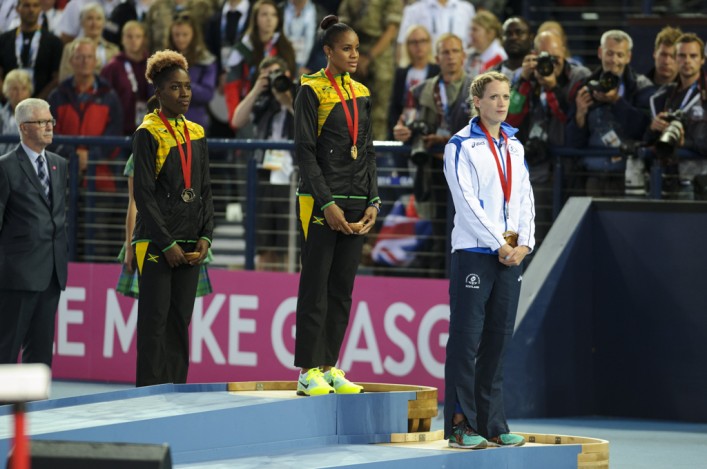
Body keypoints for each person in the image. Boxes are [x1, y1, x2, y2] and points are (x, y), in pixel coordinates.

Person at [442, 70, 534, 450]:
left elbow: (525, 199)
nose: (501, 103)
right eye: (493, 96)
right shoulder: (460, 145)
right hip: (474, 254)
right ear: (476, 102)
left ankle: (493, 423)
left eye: (505, 96)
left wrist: (524, 244)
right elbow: (465, 203)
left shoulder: (515, 146)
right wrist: (499, 241)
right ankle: (461, 424)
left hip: (510, 257)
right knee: (466, 340)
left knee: (497, 340)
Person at [294, 15, 379, 396]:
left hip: (357, 202)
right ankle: (306, 371)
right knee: (315, 287)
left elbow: (369, 152)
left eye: (357, 49)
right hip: (320, 204)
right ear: (327, 51)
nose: (354, 55)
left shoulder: (361, 92)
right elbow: (305, 153)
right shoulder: (310, 90)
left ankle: (329, 367)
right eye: (346, 48)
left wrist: (373, 201)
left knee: (341, 289)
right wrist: (326, 202)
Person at [132, 50, 214, 386]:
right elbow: (143, 194)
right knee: (155, 321)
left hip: (191, 242)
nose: (184, 94)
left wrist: (206, 235)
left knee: (180, 321)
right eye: (176, 88)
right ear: (159, 92)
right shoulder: (147, 133)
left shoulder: (197, 131)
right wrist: (165, 243)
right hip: (155, 242)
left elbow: (205, 190)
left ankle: (177, 391)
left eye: (188, 87)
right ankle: (148, 397)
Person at [392, 33, 472, 277]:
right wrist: (401, 130)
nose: (450, 57)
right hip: (434, 173)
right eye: (445, 53)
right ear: (437, 58)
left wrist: (447, 141)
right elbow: (404, 120)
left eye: (455, 51)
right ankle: (440, 288)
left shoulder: (478, 88)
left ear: (464, 56)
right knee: (439, 234)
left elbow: (484, 131)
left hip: (467, 174)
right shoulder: (420, 90)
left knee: (465, 235)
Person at [117, 96, 213, 298]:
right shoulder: (143, 149)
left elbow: (203, 193)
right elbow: (135, 202)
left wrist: (204, 234)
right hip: (153, 238)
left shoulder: (192, 142)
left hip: (188, 236)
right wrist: (130, 246)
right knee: (155, 309)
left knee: (180, 309)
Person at [0, 97, 68, 368]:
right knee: (6, 348)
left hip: (51, 274)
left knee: (40, 354)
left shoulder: (59, 164)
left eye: (50, 120)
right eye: (42, 122)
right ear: (24, 127)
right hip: (16, 276)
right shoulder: (4, 167)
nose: (49, 126)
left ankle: (36, 408)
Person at [565, 30, 653, 196]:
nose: (614, 60)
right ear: (600, 53)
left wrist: (617, 101)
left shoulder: (641, 86)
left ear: (629, 57)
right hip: (591, 177)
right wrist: (580, 115)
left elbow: (643, 131)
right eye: (610, 53)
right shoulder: (584, 87)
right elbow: (573, 142)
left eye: (620, 55)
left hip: (627, 178)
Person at [232, 56, 294, 270]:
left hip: (292, 176)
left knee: (289, 245)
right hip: (264, 173)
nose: (273, 79)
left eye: (277, 73)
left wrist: (286, 98)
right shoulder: (261, 100)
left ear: (288, 75)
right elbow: (237, 120)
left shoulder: (300, 94)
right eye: (268, 76)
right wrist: (257, 89)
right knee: (264, 243)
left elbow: (311, 123)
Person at [645, 33, 707, 196]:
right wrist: (653, 128)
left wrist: (684, 143)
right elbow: (647, 141)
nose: (687, 61)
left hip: (700, 183)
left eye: (693, 56)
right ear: (675, 59)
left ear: (702, 60)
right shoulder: (663, 96)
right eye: (682, 55)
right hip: (666, 180)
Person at [337, 0, 402, 141]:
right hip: (353, 48)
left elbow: (391, 29)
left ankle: (378, 152)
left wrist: (369, 57)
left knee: (379, 111)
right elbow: (343, 25)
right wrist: (354, 54)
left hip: (380, 50)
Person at [223, 0, 296, 123]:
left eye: (274, 15)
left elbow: (294, 79)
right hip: (251, 110)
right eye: (264, 14)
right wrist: (235, 117)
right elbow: (232, 86)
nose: (269, 19)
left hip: (283, 109)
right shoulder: (243, 48)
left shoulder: (286, 48)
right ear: (255, 19)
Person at [0, 0, 64, 100]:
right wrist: (9, 98)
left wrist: (37, 102)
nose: (31, 10)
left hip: (43, 104)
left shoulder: (54, 42)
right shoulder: (3, 40)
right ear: (17, 9)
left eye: (35, 6)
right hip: (7, 105)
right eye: (26, 6)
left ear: (40, 9)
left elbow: (56, 78)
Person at [167, 12, 217, 130]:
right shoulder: (163, 59)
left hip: (195, 122)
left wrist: (180, 84)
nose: (180, 39)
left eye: (185, 34)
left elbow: (207, 94)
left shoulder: (206, 60)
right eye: (176, 35)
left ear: (194, 35)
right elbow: (153, 89)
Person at [100, 20, 151, 136]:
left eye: (138, 36)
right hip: (120, 129)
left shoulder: (153, 64)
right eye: (129, 36)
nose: (133, 40)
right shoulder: (113, 67)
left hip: (149, 129)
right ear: (122, 39)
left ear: (144, 39)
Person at [58, 2, 119, 82]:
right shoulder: (70, 49)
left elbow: (118, 80)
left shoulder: (114, 50)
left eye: (98, 19)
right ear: (82, 22)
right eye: (90, 18)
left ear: (104, 23)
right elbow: (64, 79)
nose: (94, 23)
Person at [395, 0, 475, 61]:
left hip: (461, 68)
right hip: (427, 69)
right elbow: (402, 45)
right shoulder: (414, 10)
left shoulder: (466, 9)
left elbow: (473, 43)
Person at [0, 69, 34, 156]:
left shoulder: (38, 116)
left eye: (24, 88)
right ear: (7, 91)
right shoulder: (1, 115)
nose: (19, 93)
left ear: (29, 91)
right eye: (15, 89)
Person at [465, 10, 506, 79]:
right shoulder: (470, 54)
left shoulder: (500, 58)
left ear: (490, 33)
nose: (470, 33)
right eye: (470, 29)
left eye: (475, 30)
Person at [492, 16, 533, 84]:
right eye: (508, 33)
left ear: (531, 37)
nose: (513, 37)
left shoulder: (539, 74)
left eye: (519, 33)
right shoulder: (490, 75)